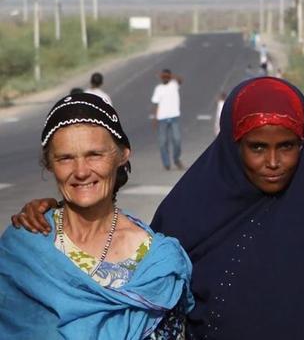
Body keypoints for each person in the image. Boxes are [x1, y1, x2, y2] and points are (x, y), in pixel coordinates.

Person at [12, 77, 304, 339]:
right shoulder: (180, 222)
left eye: (288, 146)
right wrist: (55, 211)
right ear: (232, 145)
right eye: (257, 147)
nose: (273, 162)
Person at [0, 93, 194, 339]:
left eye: (94, 155)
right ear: (49, 163)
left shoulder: (157, 263)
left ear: (122, 155)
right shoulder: (24, 247)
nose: (81, 171)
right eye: (65, 158)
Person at [151, 69, 184, 170]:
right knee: (163, 142)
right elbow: (155, 104)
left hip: (174, 117)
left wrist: (171, 76)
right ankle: (166, 163)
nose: (165, 78)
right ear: (161, 78)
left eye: (167, 76)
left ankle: (176, 158)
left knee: (177, 140)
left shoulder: (174, 84)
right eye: (163, 77)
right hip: (162, 118)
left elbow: (180, 79)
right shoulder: (158, 88)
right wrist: (155, 118)